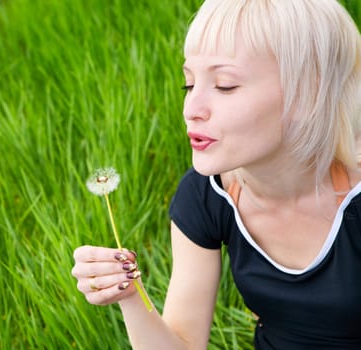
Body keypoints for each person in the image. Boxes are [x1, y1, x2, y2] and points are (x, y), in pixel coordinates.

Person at [71, 0, 361, 348]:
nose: (191, 109)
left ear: (307, 95)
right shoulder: (206, 197)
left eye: (224, 85)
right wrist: (130, 296)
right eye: (189, 85)